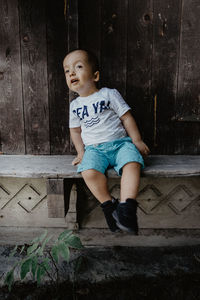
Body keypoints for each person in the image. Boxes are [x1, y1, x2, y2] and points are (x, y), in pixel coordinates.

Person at [63, 49, 150, 234]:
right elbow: (75, 131)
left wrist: (137, 140)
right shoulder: (75, 106)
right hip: (94, 150)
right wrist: (81, 152)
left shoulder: (109, 94)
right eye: (67, 70)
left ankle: (127, 208)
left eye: (78, 67)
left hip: (121, 144)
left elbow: (126, 117)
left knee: (132, 163)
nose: (71, 73)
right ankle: (109, 206)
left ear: (95, 75)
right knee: (88, 171)